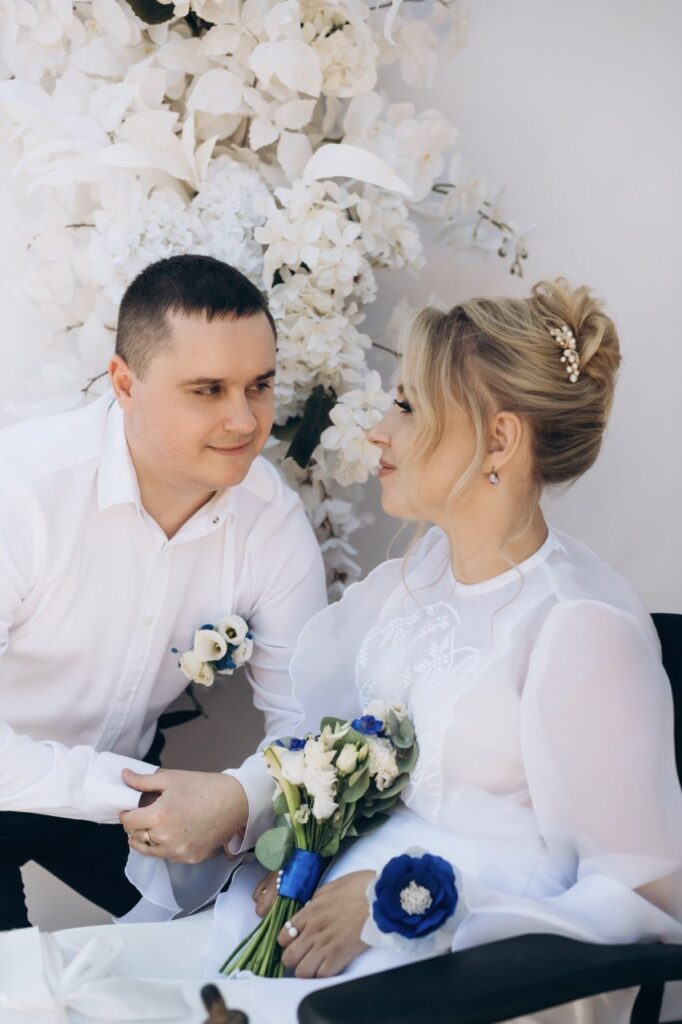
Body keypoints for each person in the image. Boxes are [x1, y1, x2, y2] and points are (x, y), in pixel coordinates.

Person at [195, 278, 681, 1024]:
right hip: (324, 942)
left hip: (465, 982)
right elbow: (343, 754)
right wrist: (305, 853)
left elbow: (645, 899)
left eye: (408, 406)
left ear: (500, 440)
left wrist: (400, 901)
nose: (378, 432)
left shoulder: (581, 629)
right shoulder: (417, 579)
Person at [0, 254, 326, 930]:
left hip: (124, 792)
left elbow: (312, 713)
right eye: (207, 390)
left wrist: (241, 795)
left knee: (234, 947)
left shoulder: (269, 517)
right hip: (97, 786)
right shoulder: (22, 494)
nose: (245, 422)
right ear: (125, 383)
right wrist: (121, 790)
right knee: (17, 981)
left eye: (259, 386)